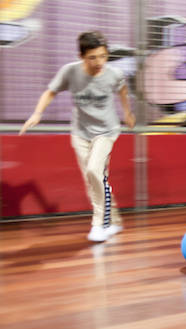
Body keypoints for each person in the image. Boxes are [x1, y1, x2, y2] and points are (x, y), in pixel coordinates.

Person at [19, 31, 135, 242]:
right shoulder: (70, 72)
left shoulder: (114, 74)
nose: (99, 62)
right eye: (93, 57)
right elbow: (50, 92)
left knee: (94, 171)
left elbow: (123, 90)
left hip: (106, 131)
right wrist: (37, 113)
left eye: (103, 56)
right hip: (81, 133)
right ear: (81, 56)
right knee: (93, 180)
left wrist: (127, 113)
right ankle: (114, 220)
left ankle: (99, 224)